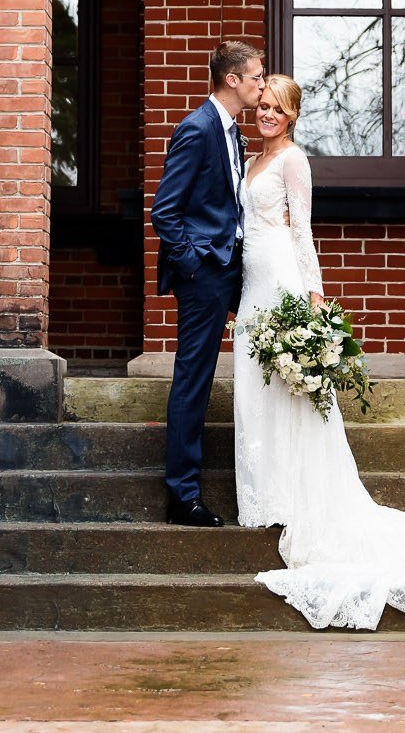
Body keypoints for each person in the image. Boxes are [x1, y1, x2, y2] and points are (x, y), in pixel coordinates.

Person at [233, 73, 405, 629]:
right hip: (251, 285)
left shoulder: (294, 162)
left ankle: (296, 499)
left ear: (291, 116)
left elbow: (303, 232)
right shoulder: (249, 159)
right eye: (262, 105)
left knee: (294, 389)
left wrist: (314, 303)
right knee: (257, 388)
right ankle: (265, 496)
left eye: (277, 109)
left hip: (283, 280)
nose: (266, 114)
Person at [150, 39, 265, 527]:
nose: (263, 83)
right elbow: (164, 211)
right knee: (193, 380)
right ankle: (182, 496)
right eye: (257, 76)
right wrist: (195, 266)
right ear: (232, 80)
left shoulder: (232, 131)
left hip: (232, 270)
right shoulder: (197, 129)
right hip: (205, 276)